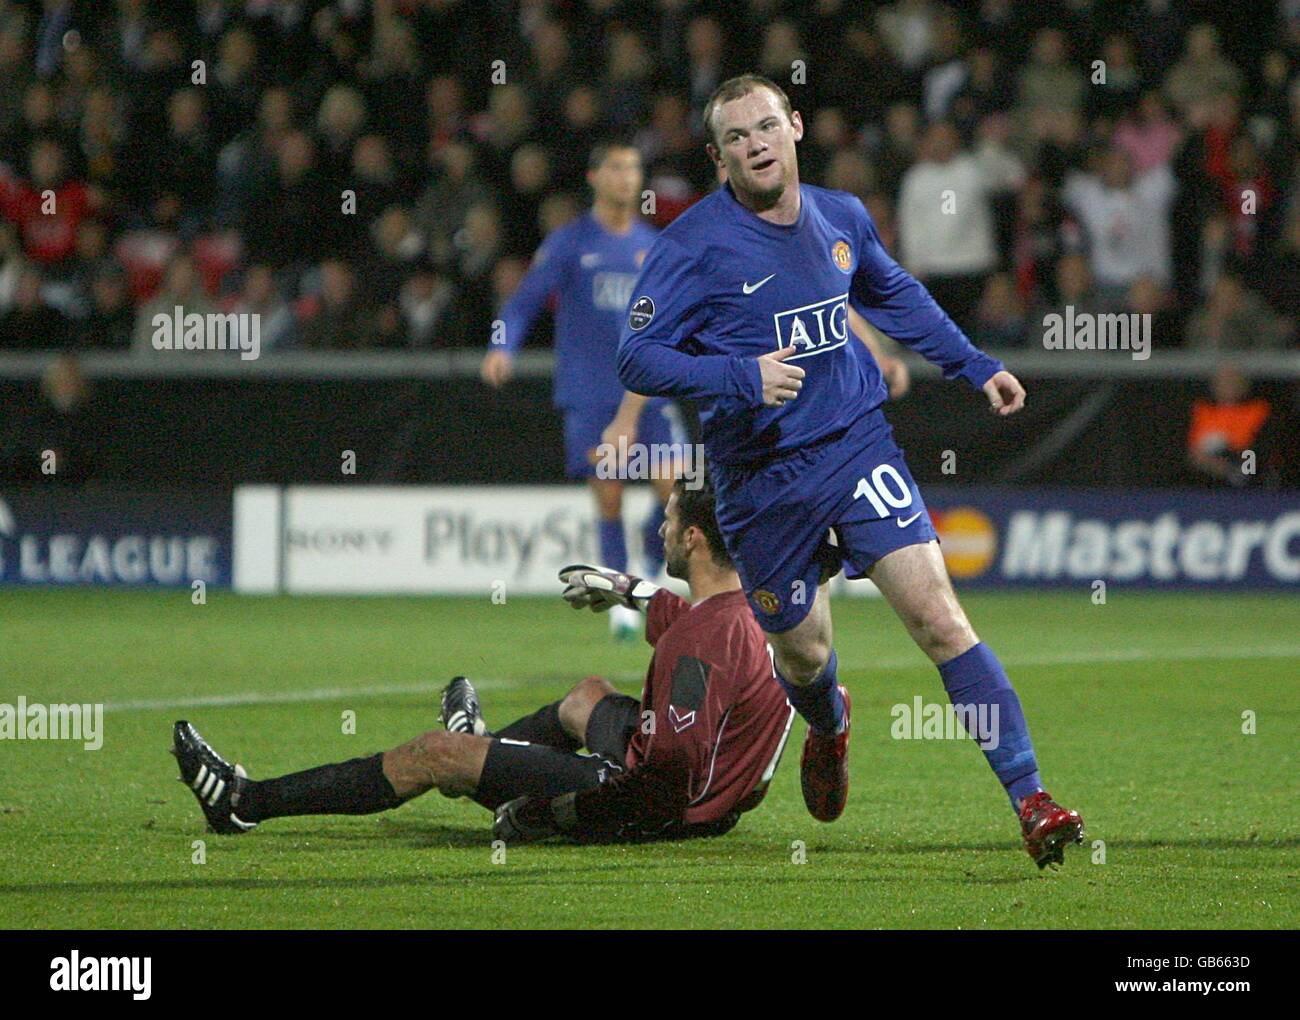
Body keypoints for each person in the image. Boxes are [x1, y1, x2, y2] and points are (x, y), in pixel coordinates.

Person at [615, 74, 1083, 868]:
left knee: (940, 619)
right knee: (801, 656)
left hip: (856, 446)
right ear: (718, 156)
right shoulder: (691, 246)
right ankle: (829, 726)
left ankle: (1031, 798)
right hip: (759, 479)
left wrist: (972, 365)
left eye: (766, 126)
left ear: (796, 126)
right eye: (736, 137)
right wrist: (740, 377)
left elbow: (892, 293)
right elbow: (636, 354)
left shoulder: (842, 216)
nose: (756, 144)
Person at [172, 476, 796, 844]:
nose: (659, 530)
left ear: (693, 538)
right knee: (586, 696)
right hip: (706, 792)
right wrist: (623, 586)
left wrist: (548, 815)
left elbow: (666, 785)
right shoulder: (750, 614)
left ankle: (244, 802)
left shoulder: (702, 643)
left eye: (667, 521)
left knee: (433, 754)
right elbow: (682, 623)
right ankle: (484, 751)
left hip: (658, 807)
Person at [480, 140, 683, 640]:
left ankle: (651, 573)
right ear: (595, 177)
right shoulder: (570, 243)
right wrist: (501, 344)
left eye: (634, 168)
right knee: (609, 494)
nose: (627, 177)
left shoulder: (652, 245)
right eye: (615, 167)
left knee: (675, 492)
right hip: (591, 392)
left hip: (648, 391)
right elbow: (523, 302)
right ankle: (619, 598)